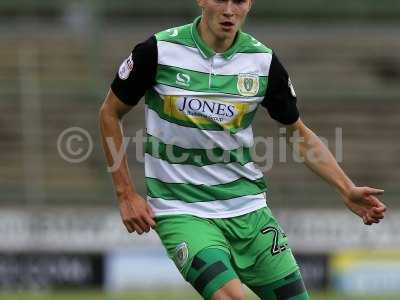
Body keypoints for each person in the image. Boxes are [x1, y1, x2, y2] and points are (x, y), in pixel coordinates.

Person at [99, 1, 386, 299]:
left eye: (238, 1)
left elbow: (297, 133)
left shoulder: (262, 62)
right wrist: (125, 194)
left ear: (249, 4)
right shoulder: (158, 52)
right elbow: (110, 113)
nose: (228, 10)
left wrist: (346, 188)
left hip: (248, 210)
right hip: (181, 210)